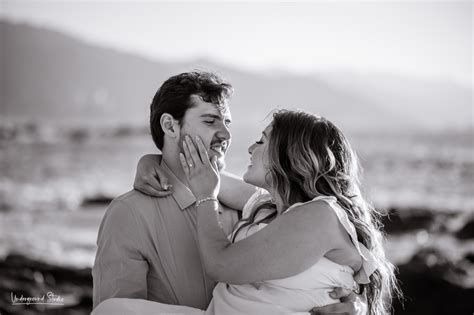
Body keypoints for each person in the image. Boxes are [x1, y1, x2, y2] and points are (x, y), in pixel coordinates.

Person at [92, 71, 365, 314]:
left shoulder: (255, 206)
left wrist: (358, 303)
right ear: (170, 126)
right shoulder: (129, 214)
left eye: (227, 123)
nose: (226, 135)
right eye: (211, 121)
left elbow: (332, 258)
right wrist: (153, 161)